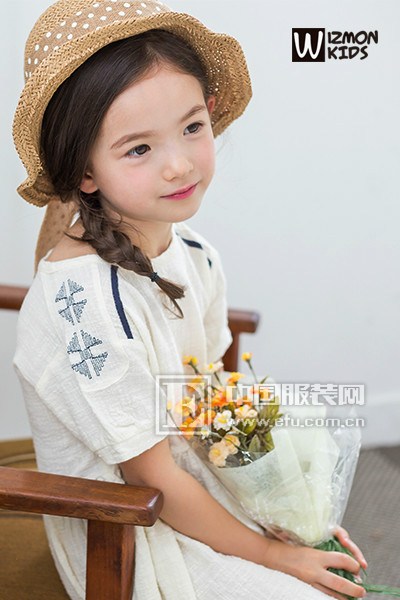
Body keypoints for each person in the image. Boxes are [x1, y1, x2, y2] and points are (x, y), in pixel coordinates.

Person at [12, 1, 368, 599]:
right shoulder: (86, 305)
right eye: (138, 149)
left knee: (333, 568)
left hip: (200, 480)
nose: (179, 164)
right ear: (85, 171)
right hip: (129, 531)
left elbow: (209, 398)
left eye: (192, 127)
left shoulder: (194, 251)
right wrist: (274, 555)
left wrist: (288, 512)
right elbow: (148, 477)